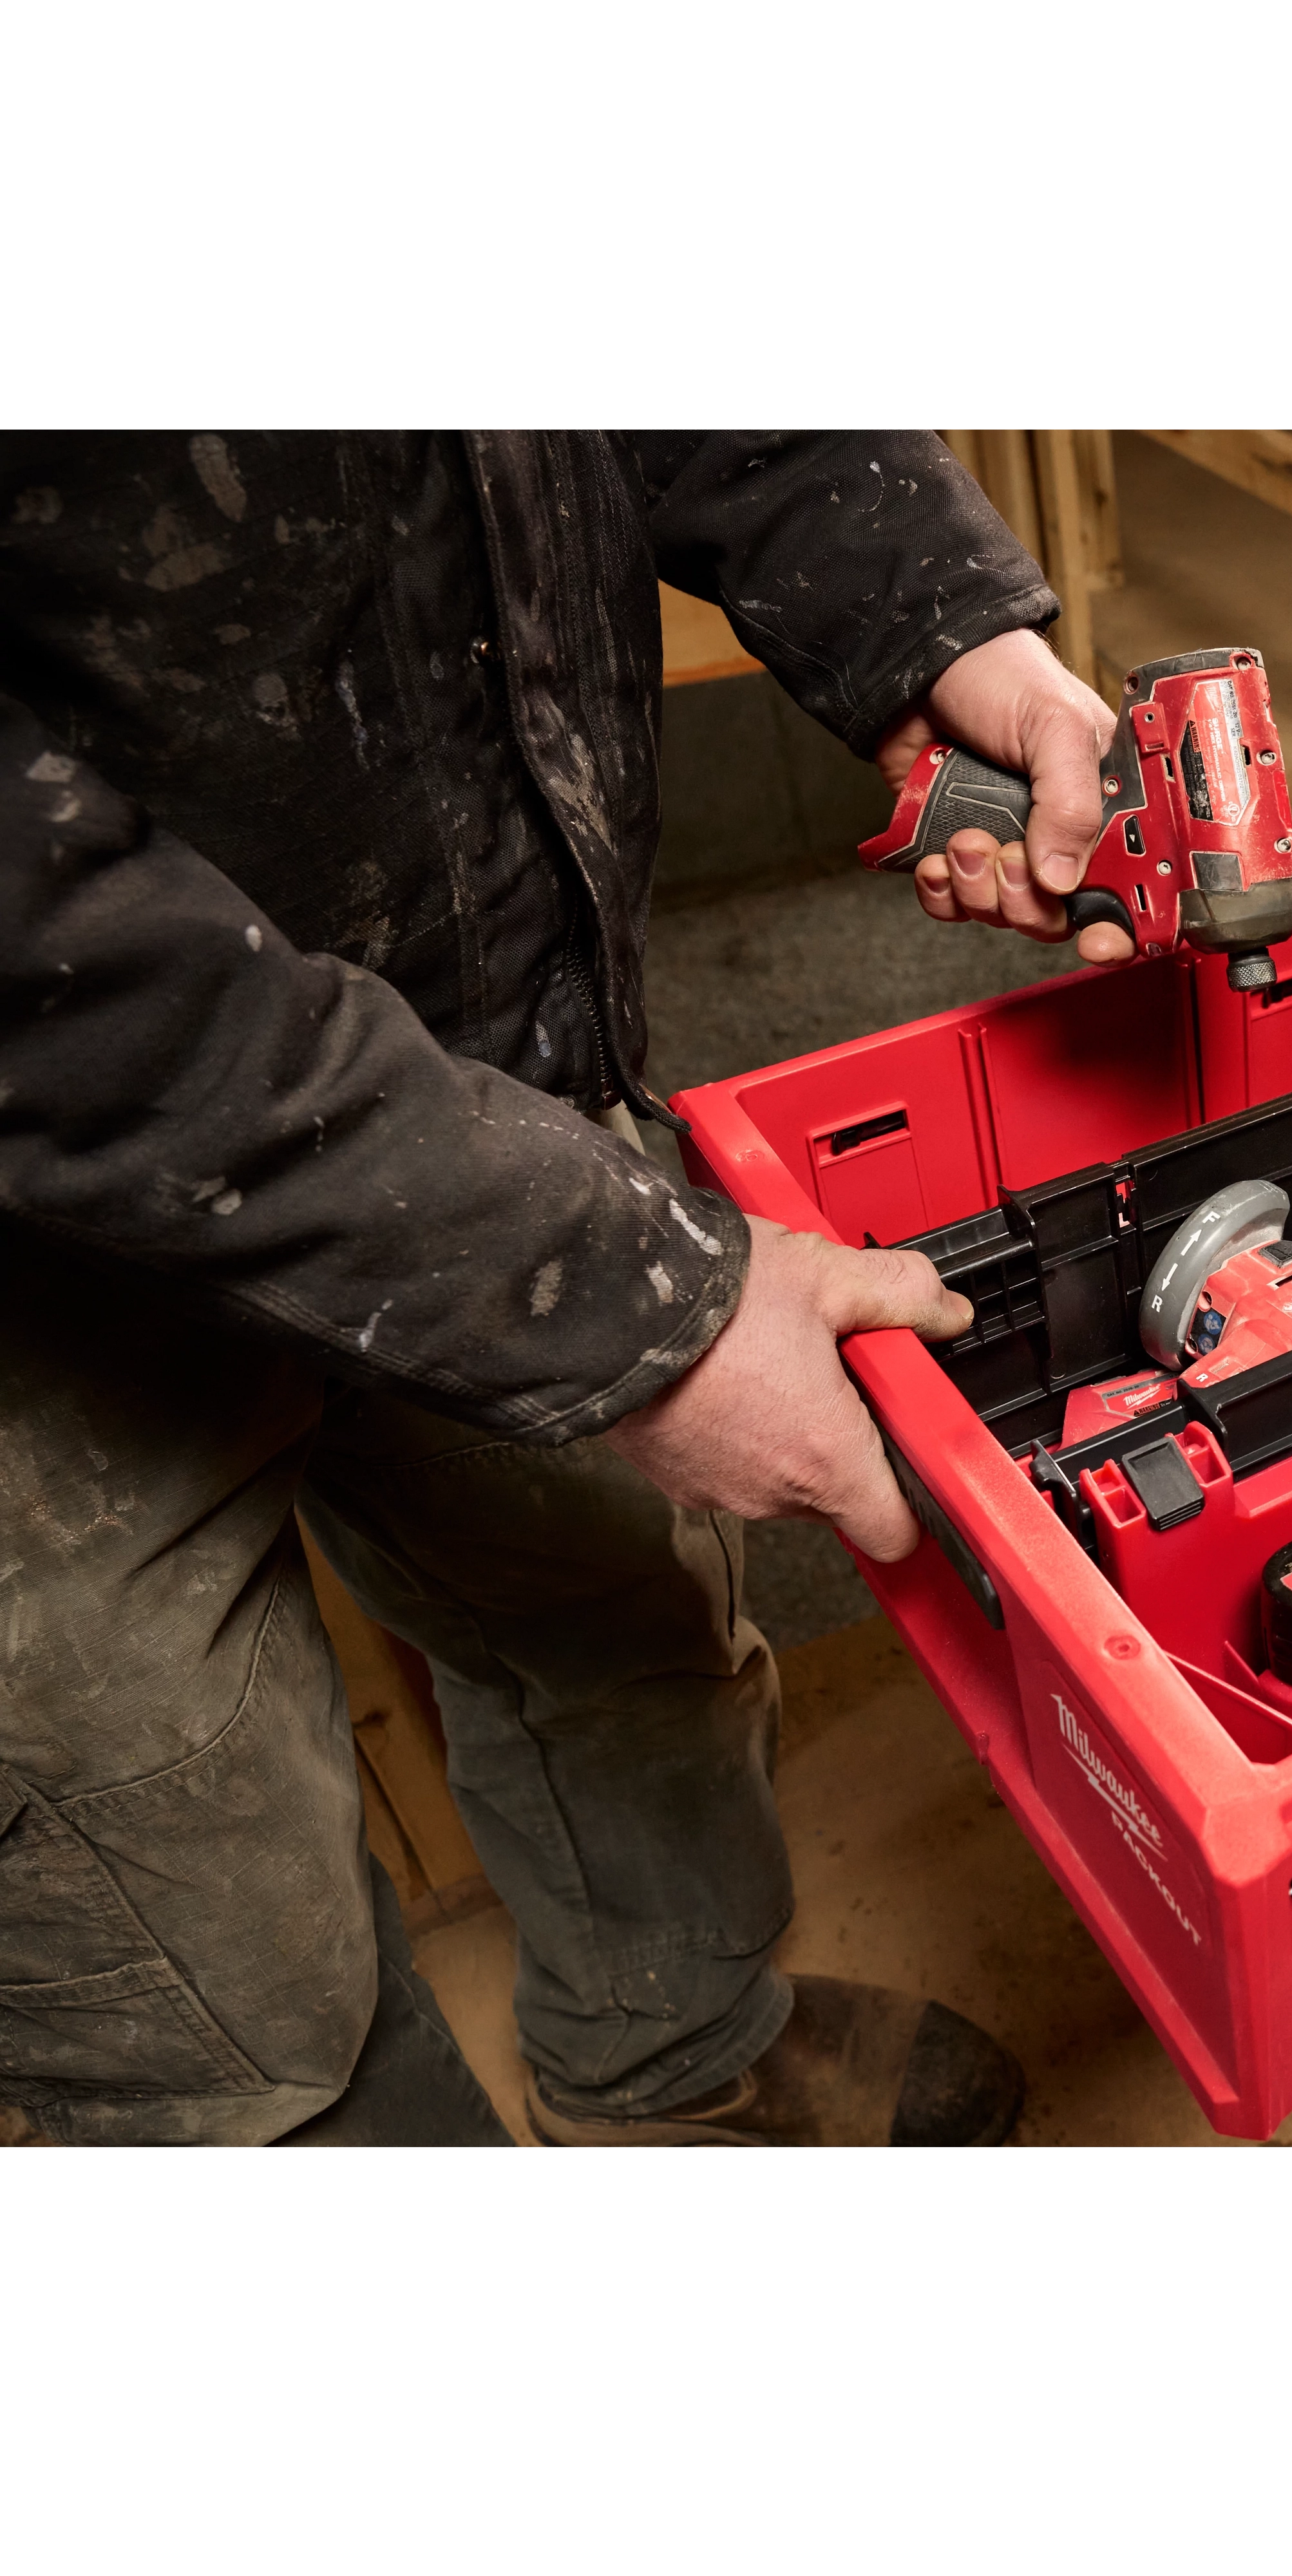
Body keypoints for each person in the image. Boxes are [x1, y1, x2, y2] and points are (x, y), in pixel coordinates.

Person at [0, 428, 1126, 2146]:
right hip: (38, 1217)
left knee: (618, 1620)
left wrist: (941, 627)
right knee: (213, 1966)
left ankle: (675, 2075)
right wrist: (633, 1316)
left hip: (470, 1035)